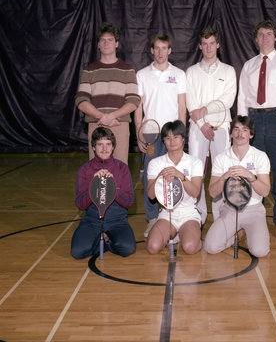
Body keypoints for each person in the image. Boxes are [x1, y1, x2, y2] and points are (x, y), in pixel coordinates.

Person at [237, 20, 276, 239]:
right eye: (261, 34)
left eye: (269, 34)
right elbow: (242, 97)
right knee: (252, 173)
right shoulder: (249, 66)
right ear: (256, 39)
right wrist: (243, 127)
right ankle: (251, 220)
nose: (265, 37)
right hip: (253, 120)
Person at [134, 33, 186, 237]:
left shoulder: (180, 75)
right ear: (151, 50)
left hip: (172, 133)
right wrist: (139, 134)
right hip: (152, 135)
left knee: (175, 176)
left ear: (170, 50)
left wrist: (181, 133)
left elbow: (182, 107)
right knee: (152, 177)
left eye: (165, 48)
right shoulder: (142, 75)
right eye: (157, 48)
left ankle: (176, 218)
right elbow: (137, 109)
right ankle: (153, 219)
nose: (161, 52)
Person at [186, 27, 237, 224]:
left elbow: (228, 100)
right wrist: (202, 124)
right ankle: (199, 215)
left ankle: (220, 215)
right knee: (197, 171)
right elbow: (191, 103)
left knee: (220, 171)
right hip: (198, 130)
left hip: (222, 128)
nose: (208, 47)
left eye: (212, 43)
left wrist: (205, 110)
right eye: (204, 44)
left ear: (218, 45)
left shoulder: (229, 71)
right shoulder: (191, 72)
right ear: (200, 46)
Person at [204, 115, 271, 258]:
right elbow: (212, 192)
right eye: (236, 129)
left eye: (245, 130)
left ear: (251, 134)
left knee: (259, 252)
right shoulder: (221, 158)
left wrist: (250, 176)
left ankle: (247, 231)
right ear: (231, 133)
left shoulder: (260, 156)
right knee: (210, 247)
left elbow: (265, 191)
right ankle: (237, 233)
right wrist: (224, 177)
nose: (240, 134)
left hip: (254, 211)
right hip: (229, 210)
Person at [75, 22, 140, 165]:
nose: (106, 43)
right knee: (97, 171)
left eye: (110, 40)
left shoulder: (127, 70)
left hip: (119, 125)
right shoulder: (89, 70)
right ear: (98, 44)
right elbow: (81, 100)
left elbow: (134, 101)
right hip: (96, 124)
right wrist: (101, 117)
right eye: (102, 40)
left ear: (116, 43)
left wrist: (111, 116)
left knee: (120, 168)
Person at [71, 127, 136, 259]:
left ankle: (107, 242)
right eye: (100, 145)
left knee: (128, 248)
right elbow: (80, 205)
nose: (104, 149)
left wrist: (113, 186)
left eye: (108, 144)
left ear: (113, 147)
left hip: (117, 220)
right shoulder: (84, 170)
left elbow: (129, 202)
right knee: (77, 252)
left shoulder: (122, 168)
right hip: (92, 220)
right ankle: (98, 239)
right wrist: (93, 185)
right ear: (93, 147)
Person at [146, 120, 203, 255]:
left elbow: (195, 192)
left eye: (176, 137)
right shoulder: (156, 163)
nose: (172, 141)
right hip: (167, 213)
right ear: (164, 141)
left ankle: (191, 236)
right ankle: (173, 234)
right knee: (152, 247)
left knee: (189, 247)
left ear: (183, 139)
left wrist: (181, 176)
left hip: (188, 213)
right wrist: (160, 176)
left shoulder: (195, 162)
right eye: (168, 138)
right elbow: (151, 195)